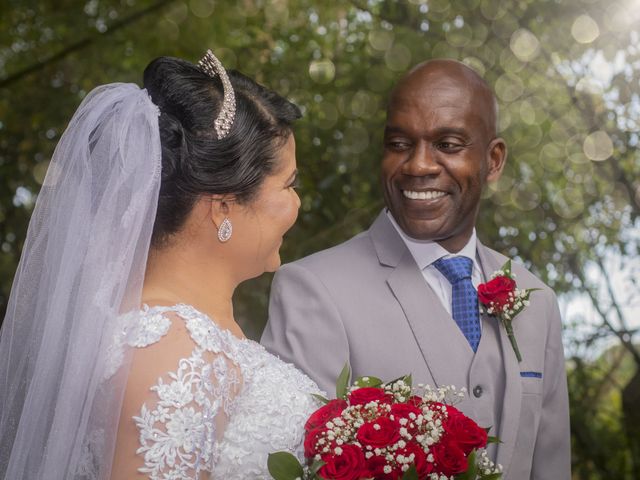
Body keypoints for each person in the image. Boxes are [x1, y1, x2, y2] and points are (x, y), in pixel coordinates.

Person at [0, 50, 322, 480]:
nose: (297, 202)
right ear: (223, 206)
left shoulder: (193, 337)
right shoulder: (172, 349)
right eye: (289, 184)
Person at [262, 59, 571, 479]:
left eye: (448, 144)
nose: (418, 165)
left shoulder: (539, 304)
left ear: (493, 161)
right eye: (400, 143)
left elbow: (550, 466)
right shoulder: (313, 289)